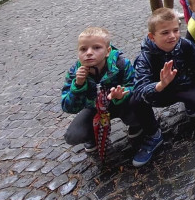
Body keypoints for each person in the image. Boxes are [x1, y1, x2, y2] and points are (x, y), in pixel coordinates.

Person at [132, 8, 195, 165]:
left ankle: (190, 104)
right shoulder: (145, 58)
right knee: (135, 101)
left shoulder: (186, 45)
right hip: (161, 93)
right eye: (165, 32)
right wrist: (160, 84)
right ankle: (153, 134)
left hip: (186, 87)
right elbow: (140, 90)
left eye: (175, 30)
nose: (172, 36)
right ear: (152, 37)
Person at [60, 27, 157, 166]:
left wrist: (122, 94)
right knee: (73, 135)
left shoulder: (121, 64)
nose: (89, 53)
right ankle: (91, 136)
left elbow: (136, 86)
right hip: (94, 109)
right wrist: (78, 85)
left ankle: (136, 125)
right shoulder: (75, 72)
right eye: (83, 49)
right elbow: (67, 106)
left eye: (96, 48)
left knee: (137, 106)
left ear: (107, 51)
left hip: (120, 104)